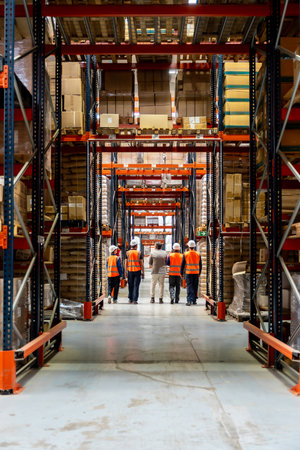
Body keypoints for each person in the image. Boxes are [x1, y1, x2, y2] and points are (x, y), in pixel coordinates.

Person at [180, 240, 202, 306]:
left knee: (189, 286)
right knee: (195, 286)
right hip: (196, 272)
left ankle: (189, 300)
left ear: (188, 246)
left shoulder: (186, 254)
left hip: (189, 272)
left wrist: (181, 273)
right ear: (194, 246)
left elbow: (182, 264)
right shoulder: (198, 254)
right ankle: (194, 300)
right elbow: (200, 264)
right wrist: (199, 273)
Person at [125, 239, 144, 304]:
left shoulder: (127, 253)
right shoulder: (139, 253)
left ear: (131, 245)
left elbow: (126, 263)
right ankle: (135, 300)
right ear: (136, 246)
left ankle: (130, 299)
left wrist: (125, 272)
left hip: (130, 270)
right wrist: (143, 272)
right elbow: (141, 263)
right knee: (136, 285)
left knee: (130, 285)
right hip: (137, 271)